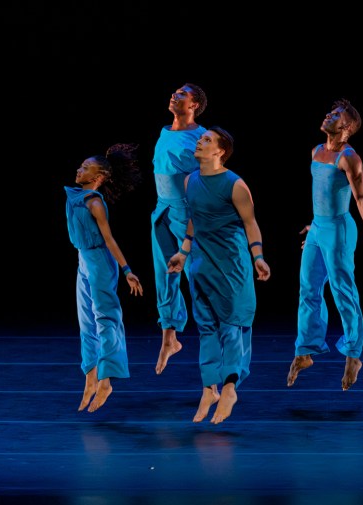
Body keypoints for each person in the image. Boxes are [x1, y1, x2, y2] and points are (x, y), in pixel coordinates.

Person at [167, 126, 271, 425]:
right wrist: (182, 253)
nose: (200, 141)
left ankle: (229, 388)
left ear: (220, 151)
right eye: (201, 138)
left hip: (231, 264)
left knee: (231, 326)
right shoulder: (190, 181)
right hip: (201, 263)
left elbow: (250, 223)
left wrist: (259, 257)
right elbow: (192, 221)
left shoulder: (235, 184)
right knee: (206, 328)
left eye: (207, 140)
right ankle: (208, 388)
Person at [287, 98, 363, 391]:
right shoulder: (316, 150)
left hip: (340, 230)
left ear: (346, 128)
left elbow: (361, 199)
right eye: (330, 111)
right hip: (319, 227)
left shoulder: (349, 157)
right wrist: (313, 225)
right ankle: (305, 350)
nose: (327, 115)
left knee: (343, 292)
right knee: (308, 289)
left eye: (335, 115)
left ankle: (353, 354)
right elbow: (321, 193)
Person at [64, 143, 144, 413]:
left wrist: (127, 271)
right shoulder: (75, 196)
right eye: (81, 165)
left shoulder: (95, 202)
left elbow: (109, 240)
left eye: (86, 167)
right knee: (86, 322)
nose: (80, 169)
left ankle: (107, 379)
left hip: (99, 262)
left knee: (105, 318)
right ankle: (90, 377)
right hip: (83, 260)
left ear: (98, 177)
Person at [151, 83, 208, 375]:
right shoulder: (164, 132)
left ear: (195, 104)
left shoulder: (202, 137)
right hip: (162, 210)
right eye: (173, 92)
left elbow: (206, 182)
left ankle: (216, 339)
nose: (174, 95)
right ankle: (169, 339)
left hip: (188, 212)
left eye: (182, 94)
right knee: (165, 277)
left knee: (196, 276)